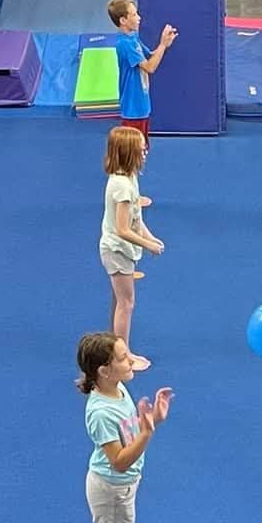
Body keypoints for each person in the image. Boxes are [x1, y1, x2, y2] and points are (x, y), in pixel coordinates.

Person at [76, 331, 173, 523]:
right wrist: (147, 433)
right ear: (103, 370)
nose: (131, 360)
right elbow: (119, 461)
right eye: (122, 358)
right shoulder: (101, 411)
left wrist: (153, 418)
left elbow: (129, 432)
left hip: (117, 487)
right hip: (113, 490)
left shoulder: (116, 390)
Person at [100, 124, 164, 373]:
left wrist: (150, 237)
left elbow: (137, 219)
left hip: (121, 250)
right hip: (117, 252)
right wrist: (148, 244)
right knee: (126, 304)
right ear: (129, 154)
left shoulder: (128, 178)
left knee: (119, 301)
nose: (145, 152)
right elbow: (123, 229)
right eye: (141, 149)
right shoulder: (122, 188)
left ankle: (113, 346)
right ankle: (122, 357)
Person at [107, 0, 177, 148]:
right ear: (123, 20)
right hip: (133, 109)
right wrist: (163, 45)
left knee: (141, 151)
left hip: (142, 106)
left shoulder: (133, 38)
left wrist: (164, 44)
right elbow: (150, 67)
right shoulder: (125, 44)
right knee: (132, 153)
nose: (139, 18)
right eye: (133, 15)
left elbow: (151, 55)